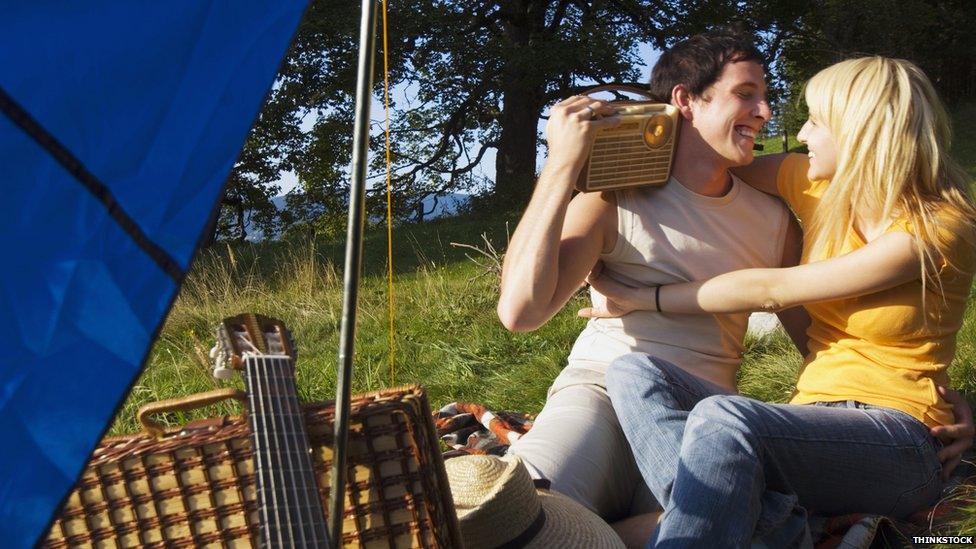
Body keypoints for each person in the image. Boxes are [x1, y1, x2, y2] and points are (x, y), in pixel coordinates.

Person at [584, 56, 976, 546]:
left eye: (816, 119)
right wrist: (612, 136)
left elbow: (772, 290)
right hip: (811, 423)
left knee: (723, 420)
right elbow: (708, 159)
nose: (803, 132)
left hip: (900, 437)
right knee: (634, 371)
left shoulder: (939, 226)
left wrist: (643, 298)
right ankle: (773, 528)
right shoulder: (815, 184)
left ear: (859, 130)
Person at [497, 28, 811, 544]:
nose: (765, 112)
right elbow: (520, 312)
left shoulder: (774, 222)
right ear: (686, 100)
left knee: (745, 529)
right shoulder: (614, 199)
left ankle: (597, 534)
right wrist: (561, 165)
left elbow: (814, 343)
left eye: (765, 97)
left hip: (700, 417)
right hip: (600, 390)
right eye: (746, 94)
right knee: (518, 514)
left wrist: (912, 400)